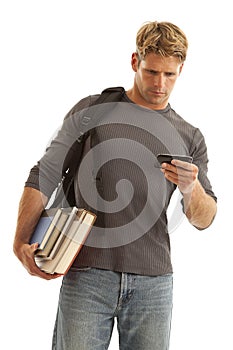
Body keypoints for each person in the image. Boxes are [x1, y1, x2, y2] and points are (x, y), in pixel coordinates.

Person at [13, 21, 217, 350]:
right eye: (152, 72)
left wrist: (191, 188)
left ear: (181, 70)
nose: (160, 84)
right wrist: (20, 241)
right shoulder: (94, 110)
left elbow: (204, 219)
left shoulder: (189, 136)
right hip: (87, 275)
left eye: (170, 75)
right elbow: (45, 171)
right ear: (135, 61)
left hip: (154, 282)